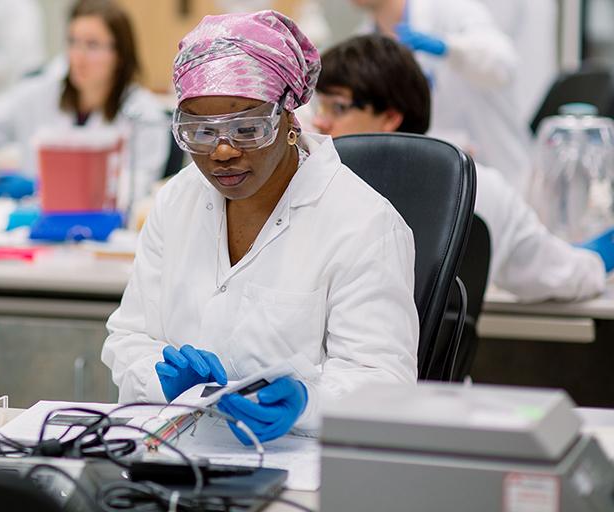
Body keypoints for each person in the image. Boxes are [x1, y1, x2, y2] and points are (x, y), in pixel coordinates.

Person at [101, 11, 418, 444]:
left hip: (301, 468)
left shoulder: (364, 224)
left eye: (248, 128)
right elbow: (129, 336)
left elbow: (385, 384)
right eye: (200, 131)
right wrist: (166, 380)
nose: (223, 151)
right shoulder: (178, 199)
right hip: (177, 453)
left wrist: (308, 402)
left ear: (289, 119)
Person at [311, 34, 613, 302]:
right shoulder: (474, 183)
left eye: (338, 107)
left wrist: (596, 259)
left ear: (391, 116)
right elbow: (554, 272)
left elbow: (553, 270)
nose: (320, 122)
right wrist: (595, 261)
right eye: (319, 106)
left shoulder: (475, 188)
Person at [0, 0, 169, 201]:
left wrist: (42, 187)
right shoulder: (42, 92)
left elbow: (132, 191)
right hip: (33, 224)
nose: (78, 56)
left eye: (92, 45)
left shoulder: (143, 115)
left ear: (120, 54)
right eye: (73, 42)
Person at [352, 0, 533, 190]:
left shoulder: (451, 11)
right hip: (427, 175)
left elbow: (504, 66)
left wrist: (448, 48)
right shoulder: (364, 39)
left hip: (491, 167)